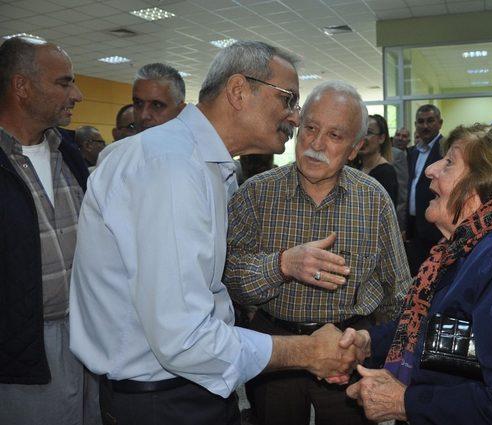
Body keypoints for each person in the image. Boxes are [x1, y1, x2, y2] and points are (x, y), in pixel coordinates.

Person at [69, 41, 363, 425]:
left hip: (188, 388)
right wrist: (306, 352)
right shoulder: (172, 169)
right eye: (288, 100)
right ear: (239, 91)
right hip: (163, 402)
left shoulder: (206, 167)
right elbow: (185, 337)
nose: (293, 117)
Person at [340, 124, 492, 425]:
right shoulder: (466, 246)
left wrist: (404, 402)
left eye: (450, 162)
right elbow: (441, 329)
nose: (430, 170)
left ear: (483, 183)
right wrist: (368, 342)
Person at [224, 81, 412, 425]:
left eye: (335, 136)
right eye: (310, 128)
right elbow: (229, 278)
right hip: (275, 350)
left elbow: (397, 291)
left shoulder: (374, 200)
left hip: (349, 350)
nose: (316, 143)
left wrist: (372, 349)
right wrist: (281, 265)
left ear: (355, 148)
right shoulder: (254, 194)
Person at [0, 37, 99, 425]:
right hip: (23, 348)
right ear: (22, 86)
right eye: (64, 82)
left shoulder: (70, 153)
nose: (77, 93)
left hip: (89, 333)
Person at [97, 63, 185, 164]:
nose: (144, 115)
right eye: (138, 103)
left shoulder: (199, 157)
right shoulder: (112, 157)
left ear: (181, 111)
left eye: (157, 105)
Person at [406, 104, 444, 275]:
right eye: (421, 122)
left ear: (440, 123)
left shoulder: (445, 150)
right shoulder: (414, 152)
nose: (425, 126)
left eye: (430, 121)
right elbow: (413, 187)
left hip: (435, 228)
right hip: (415, 226)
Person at [358, 114, 398, 205]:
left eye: (369, 133)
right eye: (361, 133)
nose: (363, 138)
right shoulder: (358, 167)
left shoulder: (386, 172)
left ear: (381, 138)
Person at [391, 127, 410, 233]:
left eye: (404, 136)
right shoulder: (392, 155)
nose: (400, 138)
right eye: (397, 135)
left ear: (409, 141)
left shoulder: (413, 153)